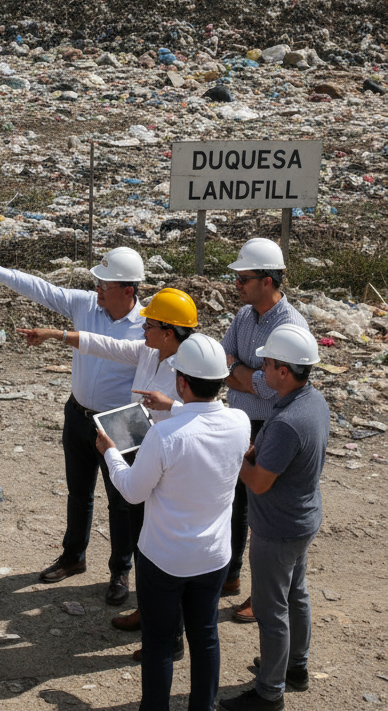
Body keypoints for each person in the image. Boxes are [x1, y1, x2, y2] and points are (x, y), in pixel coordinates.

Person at [0, 246, 145, 605]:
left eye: (105, 284)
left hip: (120, 422)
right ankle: (74, 555)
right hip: (78, 413)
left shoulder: (147, 327)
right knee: (79, 492)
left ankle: (121, 569)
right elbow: (43, 289)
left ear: (128, 291)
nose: (97, 289)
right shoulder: (87, 305)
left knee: (122, 501)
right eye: (97, 282)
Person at [19, 287, 198, 647]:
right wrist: (56, 334)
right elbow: (105, 345)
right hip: (141, 442)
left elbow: (205, 416)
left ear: (168, 331)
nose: (141, 329)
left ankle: (167, 632)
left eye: (149, 325)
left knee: (151, 535)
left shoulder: (191, 367)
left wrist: (170, 407)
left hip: (170, 461)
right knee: (139, 528)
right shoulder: (151, 351)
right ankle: (147, 611)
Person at [98, 334, 251, 711]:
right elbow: (204, 420)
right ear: (221, 381)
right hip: (213, 556)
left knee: (159, 642)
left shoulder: (164, 435)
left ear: (181, 381)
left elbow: (133, 492)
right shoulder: (240, 422)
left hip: (163, 557)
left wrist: (111, 453)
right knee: (204, 637)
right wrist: (176, 406)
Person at [219, 325, 329, 711]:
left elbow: (260, 484)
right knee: (295, 595)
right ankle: (295, 668)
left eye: (267, 363)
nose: (261, 369)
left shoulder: (285, 422)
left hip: (278, 529)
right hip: (301, 520)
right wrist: (255, 454)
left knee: (271, 610)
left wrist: (235, 458)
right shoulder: (313, 402)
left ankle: (269, 694)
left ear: (284, 371)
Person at [221, 238, 309, 622]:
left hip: (270, 426)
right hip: (242, 421)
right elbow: (223, 363)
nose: (237, 284)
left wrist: (242, 374)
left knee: (264, 512)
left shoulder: (289, 326)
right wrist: (243, 374)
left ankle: (262, 596)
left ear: (268, 280)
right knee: (237, 506)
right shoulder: (244, 317)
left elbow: (268, 384)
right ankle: (232, 574)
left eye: (245, 277)